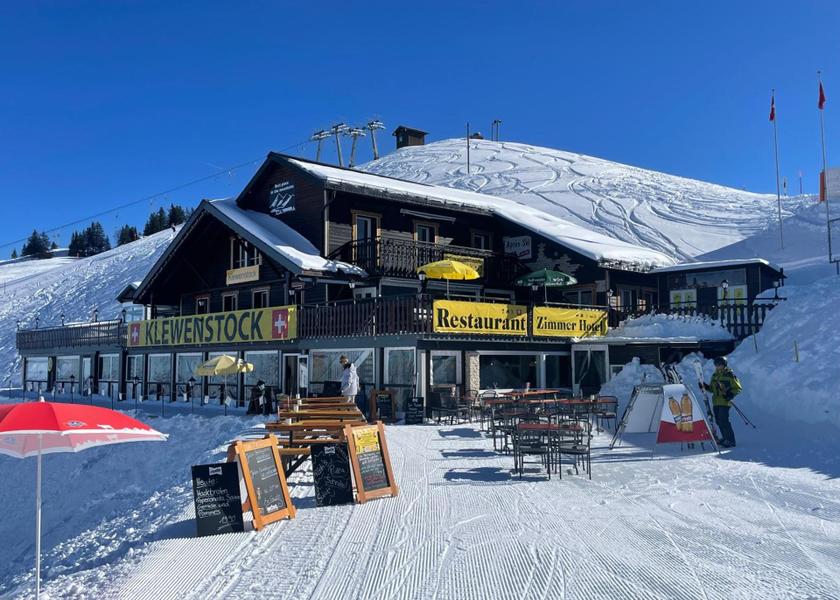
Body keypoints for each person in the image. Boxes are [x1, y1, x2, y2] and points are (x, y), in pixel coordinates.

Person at [699, 356, 741, 448]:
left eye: (719, 365)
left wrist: (730, 394)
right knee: (718, 421)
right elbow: (712, 389)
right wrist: (705, 386)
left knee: (724, 420)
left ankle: (730, 440)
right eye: (716, 365)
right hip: (716, 402)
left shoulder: (729, 375)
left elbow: (737, 388)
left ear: (724, 365)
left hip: (725, 402)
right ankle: (725, 438)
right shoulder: (715, 376)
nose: (717, 366)